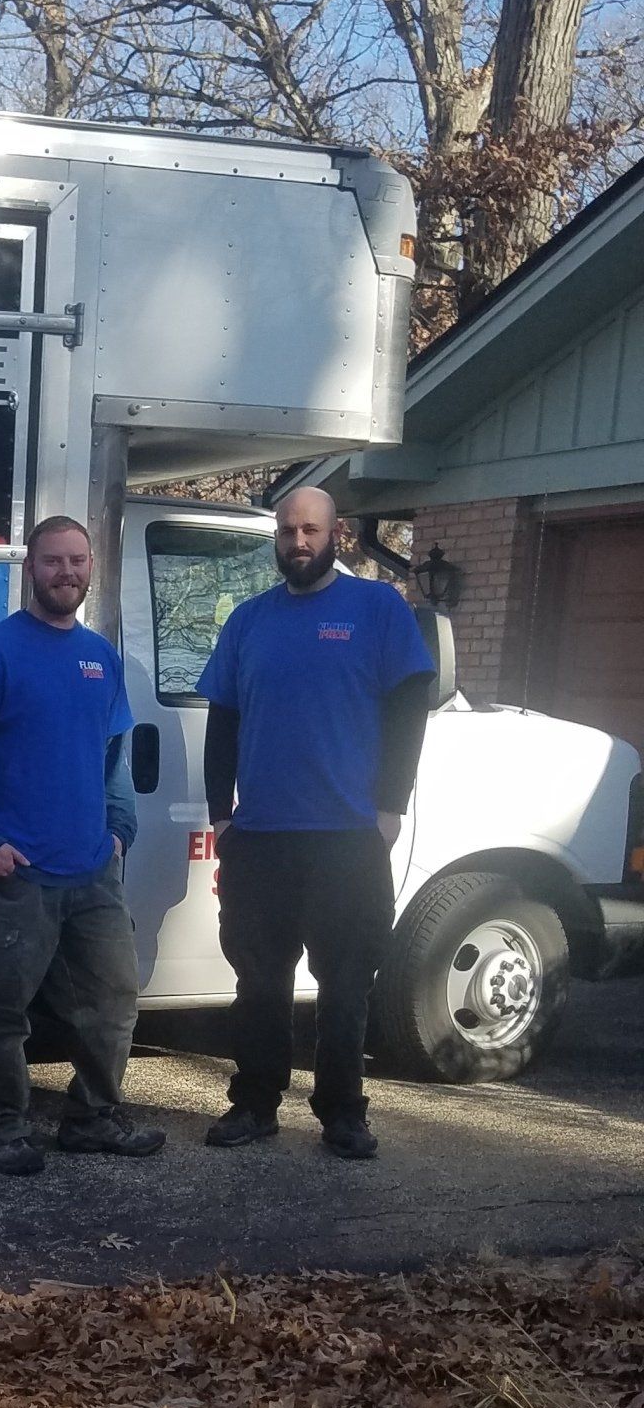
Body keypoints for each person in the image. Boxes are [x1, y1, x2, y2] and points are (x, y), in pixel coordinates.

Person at [199, 484, 435, 1161]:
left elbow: (408, 708)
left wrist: (389, 808)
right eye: (286, 531)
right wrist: (224, 818)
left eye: (310, 530)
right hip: (263, 839)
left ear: (337, 536)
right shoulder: (248, 621)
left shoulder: (377, 609)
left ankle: (342, 1113)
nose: (297, 542)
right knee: (261, 983)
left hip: (347, 838)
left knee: (345, 985)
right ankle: (253, 1104)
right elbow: (224, 722)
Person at [0, 514, 165, 1175]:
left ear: (91, 568)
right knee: (2, 1013)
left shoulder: (100, 657)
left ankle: (92, 1120)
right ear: (30, 569)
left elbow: (113, 757)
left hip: (91, 873)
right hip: (13, 874)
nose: (67, 572)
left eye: (78, 561)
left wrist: (120, 831)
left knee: (114, 999)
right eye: (54, 561)